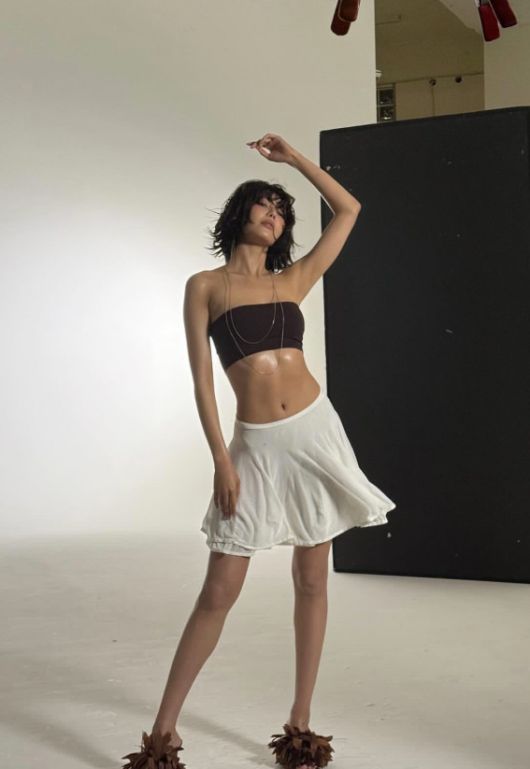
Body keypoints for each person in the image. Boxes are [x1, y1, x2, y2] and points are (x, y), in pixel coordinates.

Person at [121, 133, 396, 769]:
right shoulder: (205, 286)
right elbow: (202, 381)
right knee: (219, 590)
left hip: (315, 434)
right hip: (256, 445)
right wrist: (222, 459)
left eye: (282, 210)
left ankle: (300, 725)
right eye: (265, 204)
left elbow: (349, 209)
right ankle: (162, 736)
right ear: (239, 213)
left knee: (312, 579)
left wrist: (294, 160)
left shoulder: (292, 279)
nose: (274, 215)